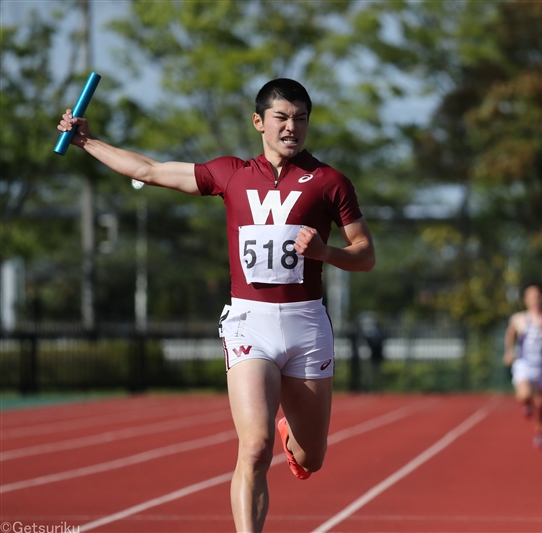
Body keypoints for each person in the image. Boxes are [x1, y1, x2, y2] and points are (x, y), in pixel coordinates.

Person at [57, 78, 376, 533]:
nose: (292, 128)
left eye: (300, 119)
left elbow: (366, 255)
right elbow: (150, 169)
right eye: (282, 118)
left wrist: (327, 253)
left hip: (307, 325)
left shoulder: (329, 182)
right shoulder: (231, 173)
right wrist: (88, 141)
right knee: (254, 447)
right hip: (249, 322)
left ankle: (293, 434)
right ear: (259, 122)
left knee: (312, 458)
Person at [503, 284, 542, 449]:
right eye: (531, 298)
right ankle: (527, 402)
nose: (535, 301)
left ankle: (539, 432)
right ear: (526, 301)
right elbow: (510, 334)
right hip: (524, 364)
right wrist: (508, 352)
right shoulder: (519, 319)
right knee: (523, 394)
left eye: (537, 297)